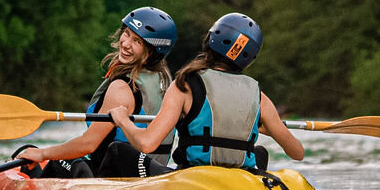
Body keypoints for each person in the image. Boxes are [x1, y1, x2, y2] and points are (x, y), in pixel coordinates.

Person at [108, 12, 304, 172]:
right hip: (242, 178)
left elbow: (147, 143)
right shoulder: (258, 95)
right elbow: (297, 153)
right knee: (259, 153)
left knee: (118, 150)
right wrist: (269, 129)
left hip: (195, 178)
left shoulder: (184, 85)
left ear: (211, 39)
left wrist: (123, 120)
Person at [15, 6, 178, 178]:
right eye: (127, 33)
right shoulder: (166, 81)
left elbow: (89, 144)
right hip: (150, 177)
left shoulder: (122, 89)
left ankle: (33, 184)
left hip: (112, 180)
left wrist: (42, 154)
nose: (126, 43)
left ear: (151, 51)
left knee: (60, 160)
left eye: (137, 41)